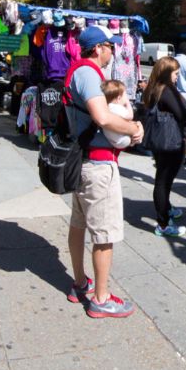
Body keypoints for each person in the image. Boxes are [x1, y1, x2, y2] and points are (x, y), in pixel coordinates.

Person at [64, 26, 141, 319]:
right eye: (110, 46)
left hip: (84, 164)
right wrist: (134, 129)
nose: (113, 52)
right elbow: (102, 117)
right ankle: (101, 298)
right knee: (103, 234)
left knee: (79, 225)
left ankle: (81, 282)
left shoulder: (78, 71)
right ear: (98, 48)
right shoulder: (87, 73)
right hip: (96, 166)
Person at [140, 55, 186, 237]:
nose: (177, 77)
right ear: (166, 73)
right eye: (176, 73)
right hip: (169, 142)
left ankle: (167, 208)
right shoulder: (167, 91)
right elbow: (183, 114)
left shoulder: (153, 88)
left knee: (163, 178)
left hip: (159, 141)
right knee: (163, 181)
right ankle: (162, 223)